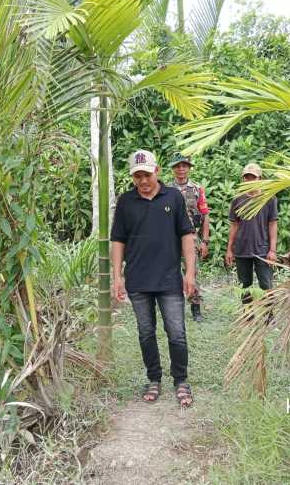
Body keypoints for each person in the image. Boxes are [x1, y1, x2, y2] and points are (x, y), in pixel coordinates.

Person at [111, 149, 196, 407]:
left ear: (156, 171)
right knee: (146, 332)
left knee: (176, 333)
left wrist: (189, 272)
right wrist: (117, 276)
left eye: (146, 175)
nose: (143, 181)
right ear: (133, 177)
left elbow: (186, 236)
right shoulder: (126, 201)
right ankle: (154, 379)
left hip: (169, 278)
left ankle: (180, 380)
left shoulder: (174, 197)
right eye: (138, 176)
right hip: (138, 280)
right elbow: (118, 241)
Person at [225, 162, 278, 305]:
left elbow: (272, 224)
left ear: (260, 178)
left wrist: (272, 250)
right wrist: (229, 249)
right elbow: (234, 225)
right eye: (246, 177)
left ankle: (269, 316)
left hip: (262, 249)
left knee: (266, 284)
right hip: (242, 249)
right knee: (245, 284)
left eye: (252, 177)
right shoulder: (238, 199)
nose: (249, 180)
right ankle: (248, 315)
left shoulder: (269, 199)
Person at [168, 154, 210, 322]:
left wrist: (205, 241)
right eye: (178, 166)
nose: (181, 169)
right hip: (169, 238)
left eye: (184, 165)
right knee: (170, 273)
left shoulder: (197, 189)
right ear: (173, 168)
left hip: (191, 237)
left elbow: (205, 215)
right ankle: (173, 307)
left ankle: (196, 308)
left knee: (192, 271)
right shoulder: (166, 189)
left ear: (189, 168)